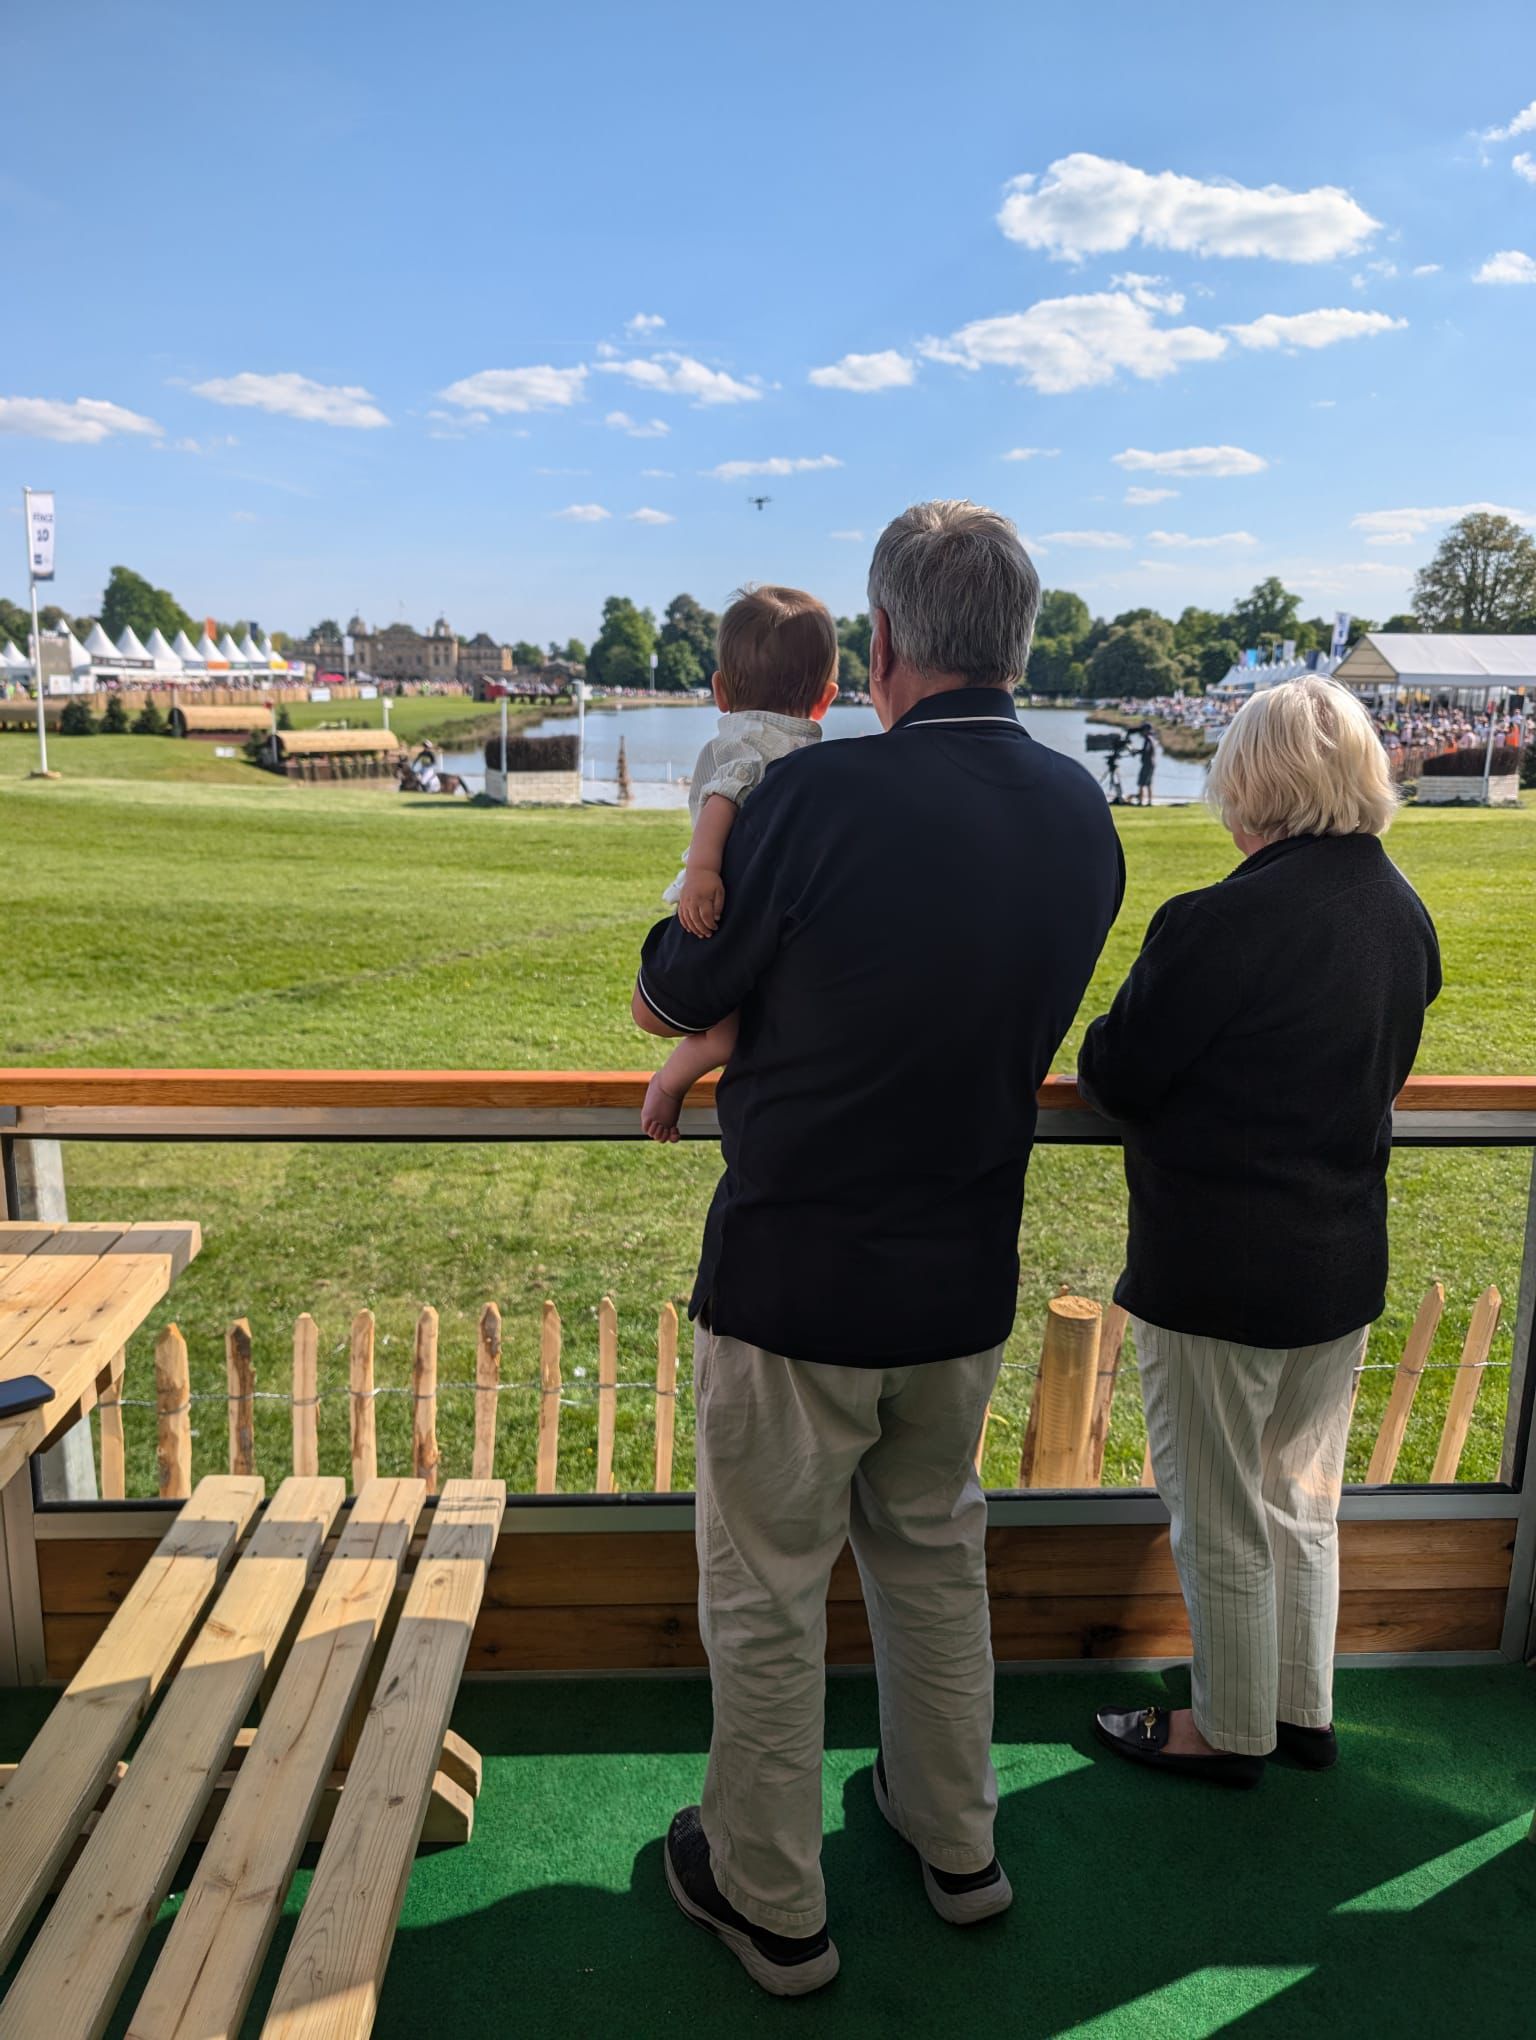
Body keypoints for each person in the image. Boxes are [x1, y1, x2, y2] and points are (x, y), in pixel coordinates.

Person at [631, 500, 1124, 1994]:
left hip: (793, 1276)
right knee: (933, 1565)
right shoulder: (1080, 815)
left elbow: (673, 987)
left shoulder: (815, 802)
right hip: (961, 1273)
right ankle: (954, 1837)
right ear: (1019, 646)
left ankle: (772, 1899)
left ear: (888, 644)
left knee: (770, 1592)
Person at [1079, 676, 1440, 1788]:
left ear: (1254, 783)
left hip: (1216, 1270)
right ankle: (1301, 1710)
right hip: (1340, 1258)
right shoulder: (1402, 916)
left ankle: (1226, 1728)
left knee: (1222, 1515)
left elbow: (1116, 1074)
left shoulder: (1219, 920)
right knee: (1302, 1504)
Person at [641, 586, 839, 1141]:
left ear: (719, 691)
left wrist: (702, 870)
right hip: (759, 910)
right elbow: (733, 798)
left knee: (722, 1036)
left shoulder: (740, 738)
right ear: (825, 699)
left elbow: (722, 796)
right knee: (737, 1030)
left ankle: (667, 1085)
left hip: (720, 902)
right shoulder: (804, 754)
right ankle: (670, 1085)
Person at [1136, 725, 1156, 806]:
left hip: (1147, 764)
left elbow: (1146, 751)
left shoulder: (1148, 740)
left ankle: (1141, 801)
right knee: (1148, 784)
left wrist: (1136, 751)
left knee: (1141, 783)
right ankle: (1149, 801)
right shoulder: (1152, 739)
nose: (1142, 732)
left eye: (1143, 730)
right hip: (1150, 764)